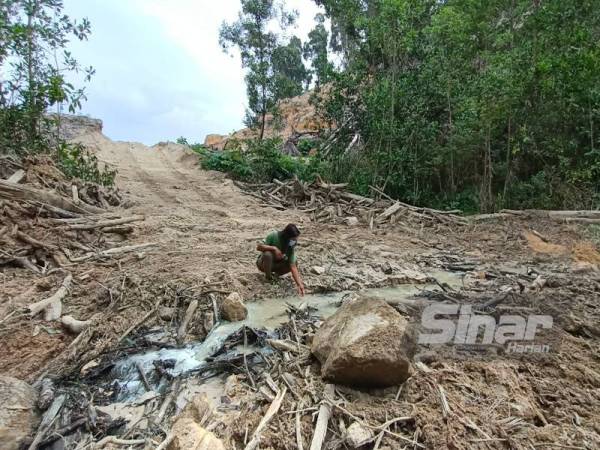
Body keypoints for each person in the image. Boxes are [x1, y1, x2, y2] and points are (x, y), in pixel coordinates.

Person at [256, 223, 305, 296]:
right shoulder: (273, 236)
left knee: (295, 262)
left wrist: (299, 285)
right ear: (287, 236)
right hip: (264, 264)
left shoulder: (290, 245)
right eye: (293, 239)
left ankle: (276, 275)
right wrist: (274, 248)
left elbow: (293, 266)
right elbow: (259, 247)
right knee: (268, 254)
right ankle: (268, 277)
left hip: (278, 265)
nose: (295, 241)